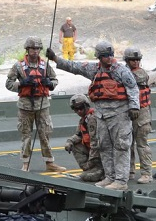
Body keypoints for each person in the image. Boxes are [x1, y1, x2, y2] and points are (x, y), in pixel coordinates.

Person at [46, 41, 139, 190]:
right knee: (104, 147)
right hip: (101, 115)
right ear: (99, 57)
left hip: (120, 115)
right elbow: (74, 67)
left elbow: (133, 88)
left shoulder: (122, 71)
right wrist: (55, 58)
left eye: (110, 55)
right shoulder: (94, 70)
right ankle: (110, 177)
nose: (108, 58)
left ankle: (121, 181)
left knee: (121, 146)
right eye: (105, 56)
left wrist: (134, 107)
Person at [5, 36, 59, 172]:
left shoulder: (45, 65)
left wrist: (50, 84)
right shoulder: (18, 66)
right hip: (25, 106)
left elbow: (54, 80)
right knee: (26, 135)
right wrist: (21, 83)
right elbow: (8, 84)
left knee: (45, 134)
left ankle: (49, 162)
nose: (35, 51)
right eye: (33, 48)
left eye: (38, 48)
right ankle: (25, 163)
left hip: (43, 105)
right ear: (27, 49)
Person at [123, 47, 153, 184]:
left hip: (142, 113)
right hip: (126, 113)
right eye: (132, 60)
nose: (135, 62)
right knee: (127, 144)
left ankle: (146, 173)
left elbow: (134, 79)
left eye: (137, 60)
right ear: (127, 61)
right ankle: (129, 171)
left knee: (141, 144)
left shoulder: (140, 74)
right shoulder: (123, 72)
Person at [63, 94, 103, 183]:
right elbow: (79, 135)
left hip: (99, 155)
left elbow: (95, 143)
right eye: (76, 109)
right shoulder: (83, 120)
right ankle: (92, 170)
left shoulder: (92, 118)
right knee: (75, 144)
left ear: (86, 105)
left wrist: (91, 163)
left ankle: (99, 170)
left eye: (81, 108)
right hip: (92, 153)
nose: (79, 111)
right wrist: (69, 141)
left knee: (85, 177)